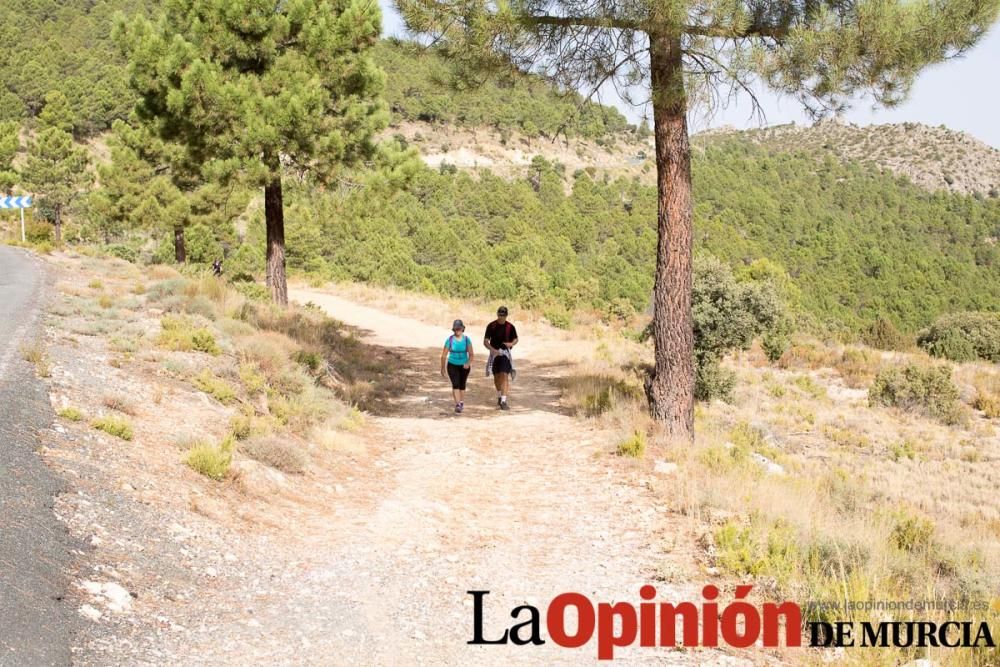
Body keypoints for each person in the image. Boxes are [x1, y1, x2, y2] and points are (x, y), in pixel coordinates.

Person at [484, 306, 518, 410]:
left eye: (503, 315)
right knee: (497, 376)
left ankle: (503, 401)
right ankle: (499, 396)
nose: (501, 317)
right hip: (494, 355)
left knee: (504, 375)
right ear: (497, 314)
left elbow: (516, 339)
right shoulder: (491, 326)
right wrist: (492, 349)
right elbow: (485, 341)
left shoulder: (510, 327)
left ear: (506, 315)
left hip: (505, 355)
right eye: (499, 315)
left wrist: (511, 343)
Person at [441, 319, 474, 414]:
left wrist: (468, 363)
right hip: (452, 365)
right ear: (453, 330)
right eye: (456, 329)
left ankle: (461, 402)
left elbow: (471, 354)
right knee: (455, 384)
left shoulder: (467, 340)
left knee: (462, 384)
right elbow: (443, 355)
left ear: (463, 329)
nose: (457, 331)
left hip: (464, 365)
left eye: (459, 329)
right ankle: (458, 404)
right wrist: (442, 368)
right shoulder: (450, 340)